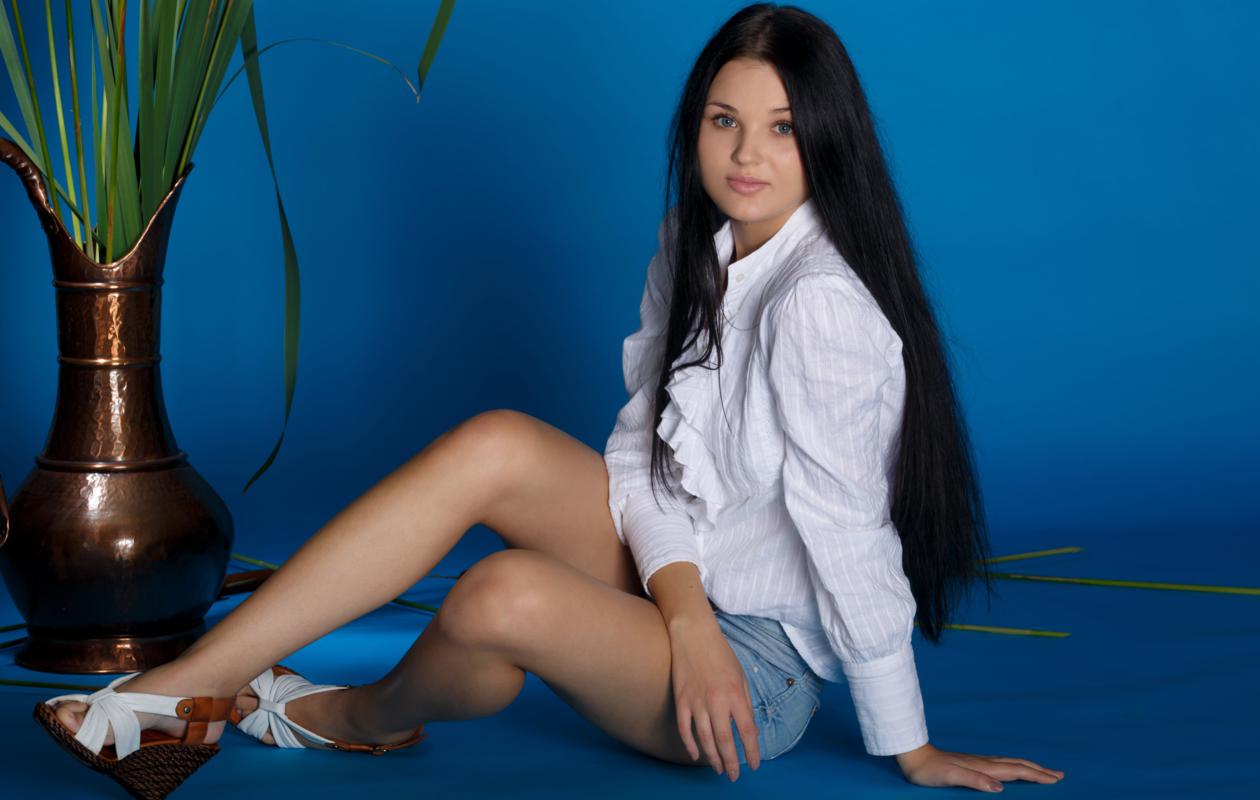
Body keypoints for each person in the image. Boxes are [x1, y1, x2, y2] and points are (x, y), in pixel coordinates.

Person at [36, 3, 1066, 796]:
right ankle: (190, 685)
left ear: (829, 142)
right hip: (685, 588)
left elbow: (849, 536)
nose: (746, 155)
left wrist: (910, 744)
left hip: (758, 672)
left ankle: (353, 716)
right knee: (496, 441)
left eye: (783, 129)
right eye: (724, 121)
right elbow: (641, 462)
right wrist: (683, 610)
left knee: (500, 597)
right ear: (695, 126)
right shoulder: (692, 245)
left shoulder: (821, 305)